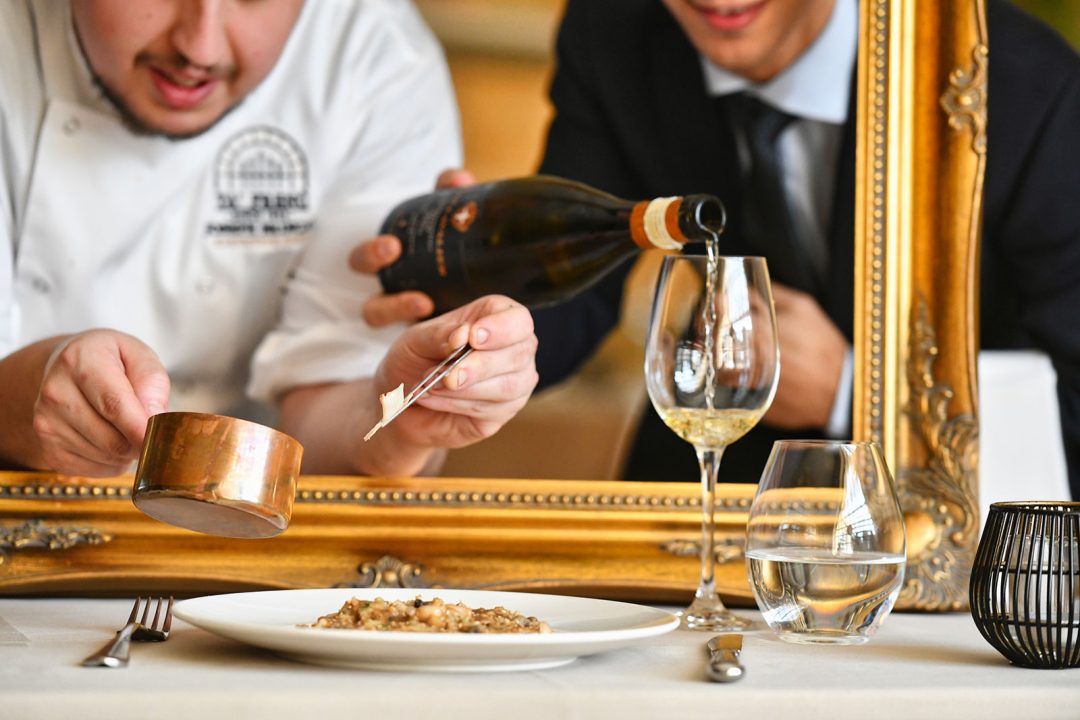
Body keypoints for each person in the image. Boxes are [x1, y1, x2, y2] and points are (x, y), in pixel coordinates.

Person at [357, 0, 1080, 498]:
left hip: (956, 526)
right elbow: (573, 301)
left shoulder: (1021, 86)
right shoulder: (613, 31)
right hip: (706, 491)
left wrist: (850, 388)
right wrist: (475, 308)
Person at [0, 0, 539, 480]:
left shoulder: (374, 55)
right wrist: (29, 396)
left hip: (252, 523)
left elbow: (325, 416)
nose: (200, 49)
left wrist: (399, 426)